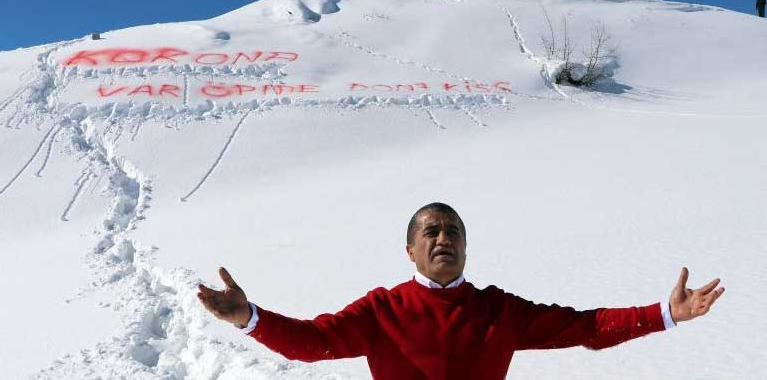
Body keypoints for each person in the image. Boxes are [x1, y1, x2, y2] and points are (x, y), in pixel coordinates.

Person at [198, 202, 725, 380]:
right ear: (410, 250)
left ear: (467, 249)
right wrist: (252, 318)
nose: (443, 238)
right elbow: (314, 343)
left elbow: (585, 328)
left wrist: (664, 313)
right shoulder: (383, 309)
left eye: (453, 231)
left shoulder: (498, 310)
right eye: (430, 231)